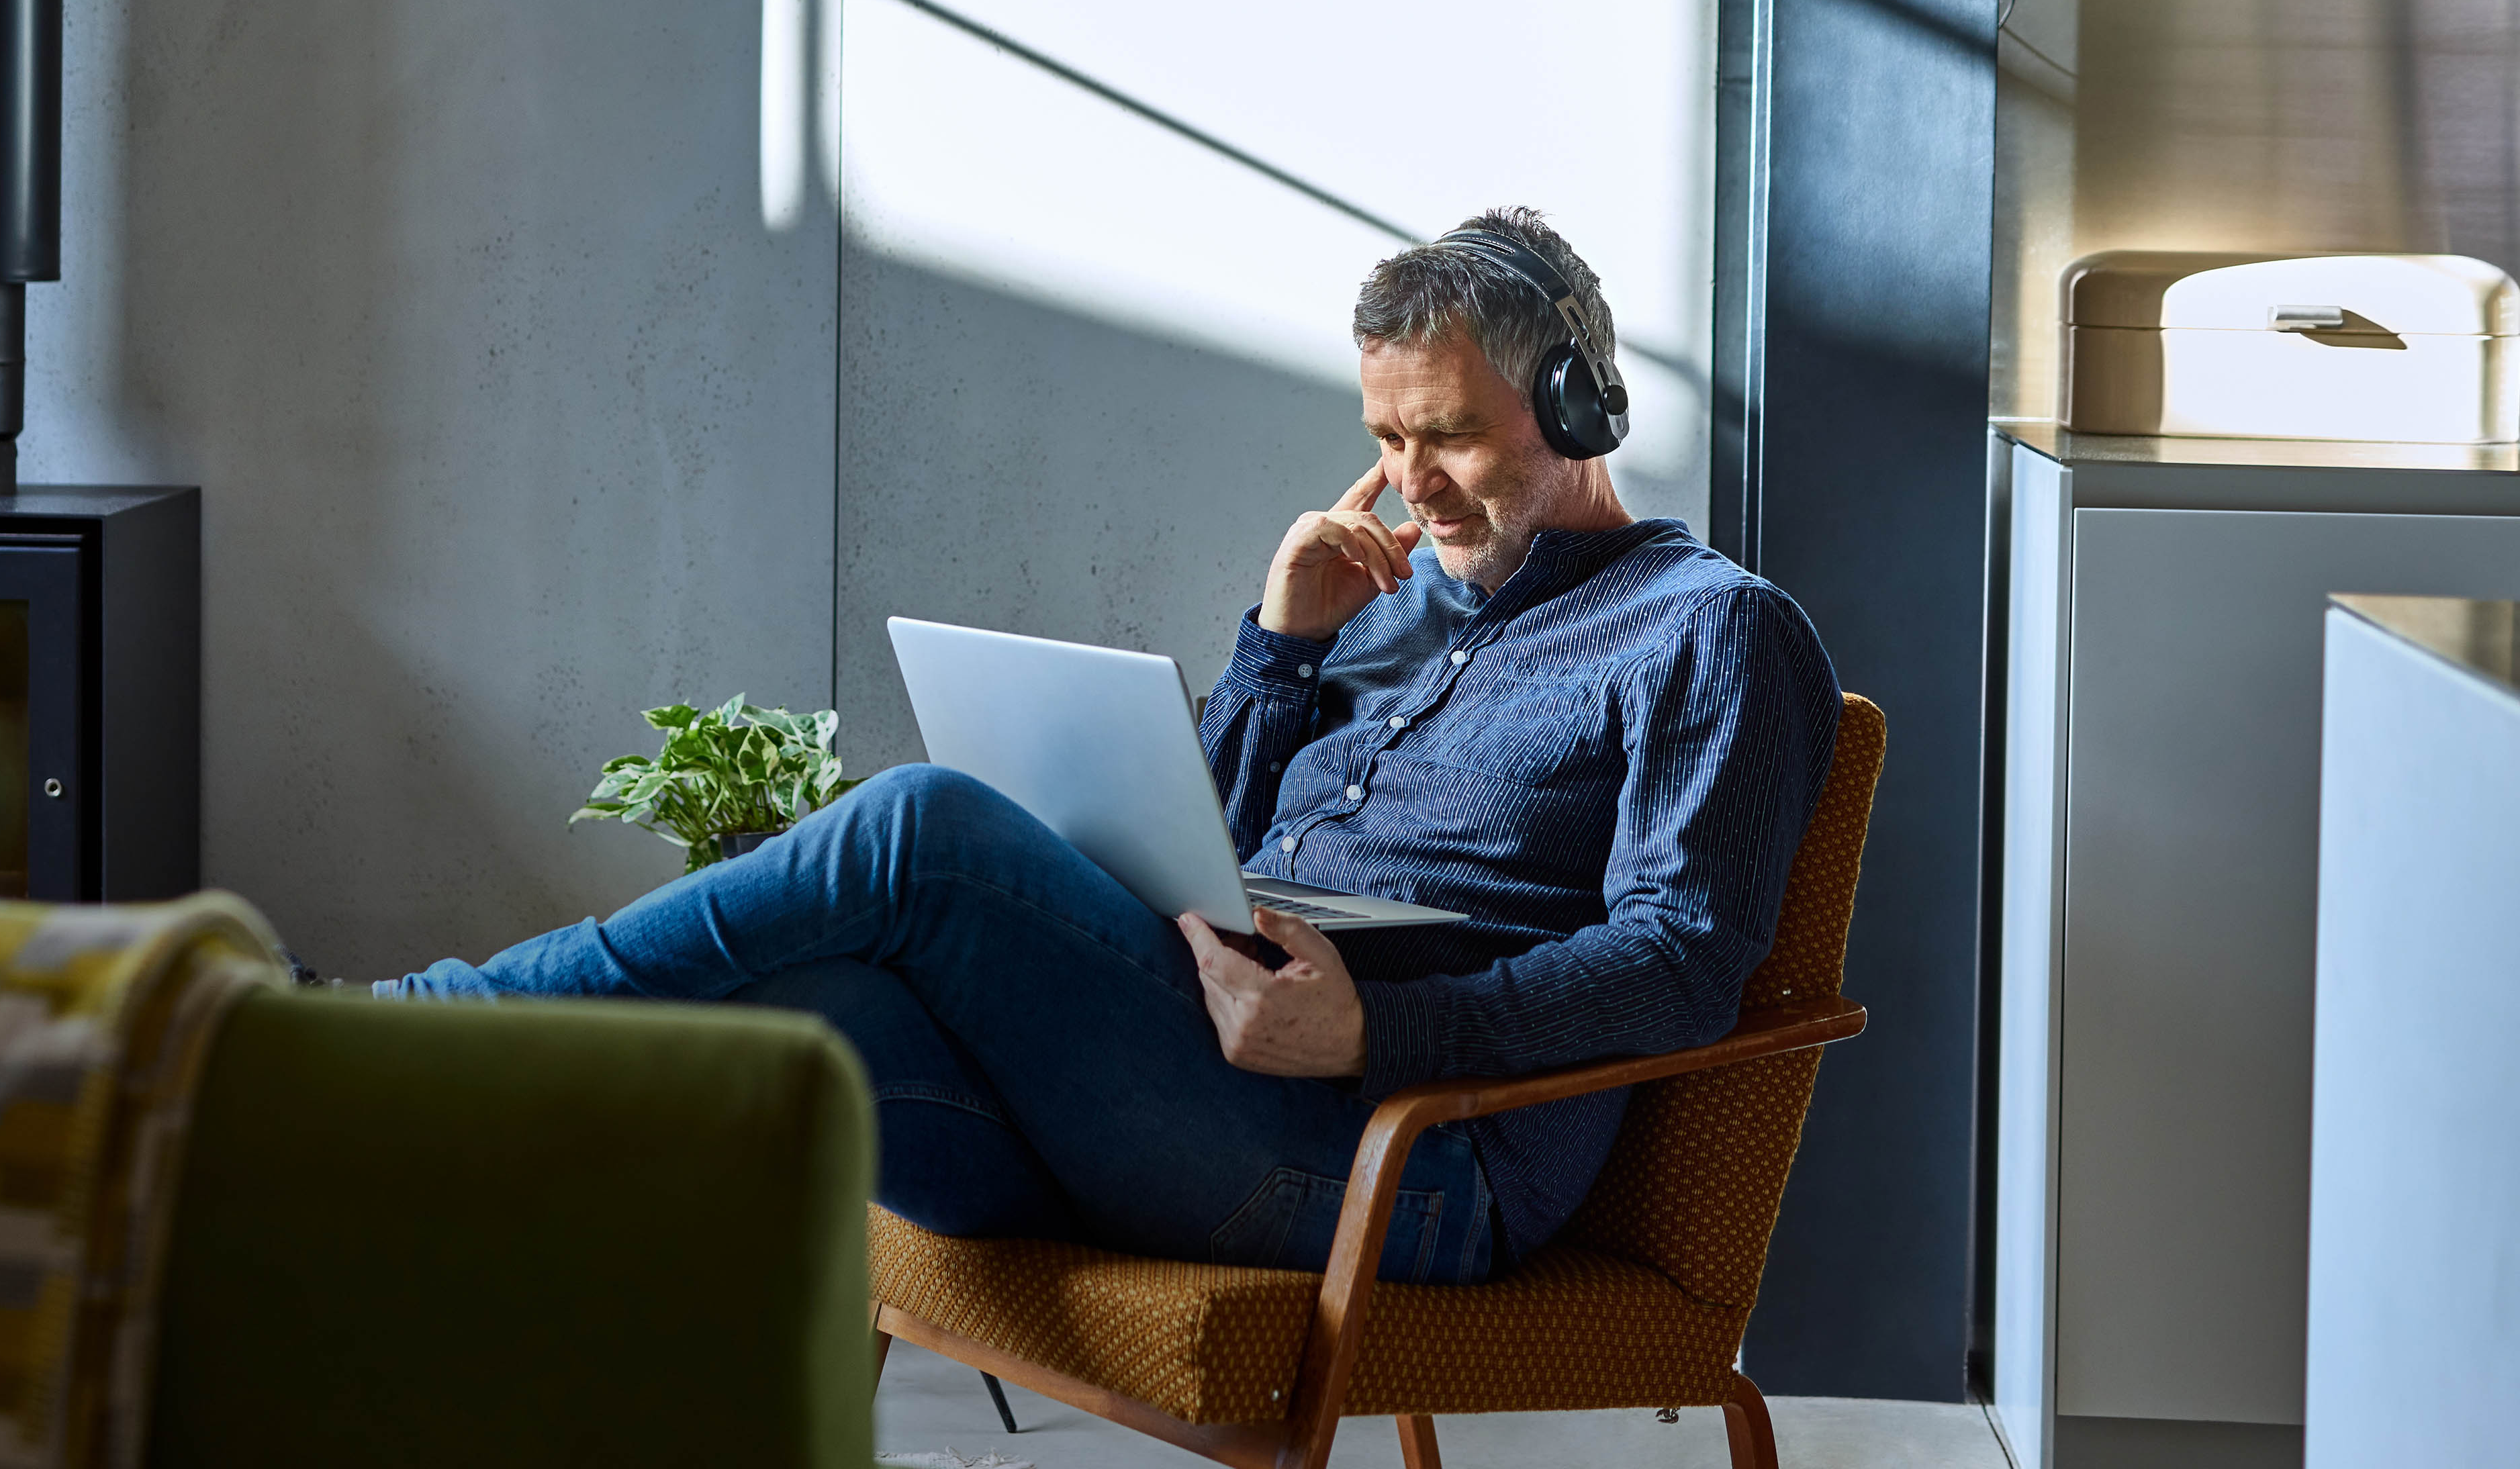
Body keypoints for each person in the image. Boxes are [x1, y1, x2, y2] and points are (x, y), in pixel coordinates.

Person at [375, 208, 1840, 1287]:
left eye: (1447, 433)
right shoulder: (1379, 598)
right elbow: (1186, 842)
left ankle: (406, 1033)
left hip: (1405, 1163)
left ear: (1578, 401)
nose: (1410, 483)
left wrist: (1377, 1030)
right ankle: (401, 1182)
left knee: (922, 830)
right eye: (1386, 438)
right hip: (1189, 1086)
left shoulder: (1707, 629)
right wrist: (1282, 643)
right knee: (813, 1000)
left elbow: (1681, 959)